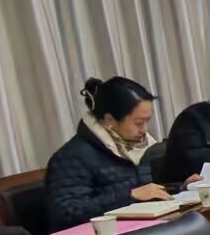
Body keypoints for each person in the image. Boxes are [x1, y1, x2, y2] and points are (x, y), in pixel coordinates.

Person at [46, 77, 177, 227]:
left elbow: (148, 190)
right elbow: (67, 213)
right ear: (110, 120)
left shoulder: (138, 146)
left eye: (148, 121)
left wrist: (182, 187)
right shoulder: (71, 157)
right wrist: (130, 196)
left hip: (142, 228)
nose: (144, 130)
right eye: (139, 123)